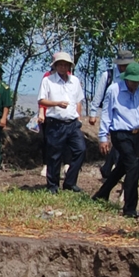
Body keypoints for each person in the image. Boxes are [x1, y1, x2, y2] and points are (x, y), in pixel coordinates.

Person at [93, 62, 139, 217]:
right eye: (133, 81)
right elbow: (106, 114)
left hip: (135, 133)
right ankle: (130, 208)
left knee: (122, 167)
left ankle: (101, 194)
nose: (136, 84)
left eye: (138, 81)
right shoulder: (114, 90)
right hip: (119, 133)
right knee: (133, 166)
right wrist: (103, 137)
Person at [38, 51, 87, 192]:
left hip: (72, 122)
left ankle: (70, 182)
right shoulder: (48, 81)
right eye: (60, 65)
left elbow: (78, 100)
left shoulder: (75, 81)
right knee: (54, 155)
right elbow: (42, 100)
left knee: (80, 150)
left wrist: (79, 116)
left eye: (65, 65)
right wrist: (56, 103)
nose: (63, 67)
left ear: (69, 67)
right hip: (55, 122)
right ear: (55, 66)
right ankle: (52, 185)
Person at [97, 51, 135, 183]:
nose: (124, 67)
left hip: (130, 122)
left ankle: (107, 175)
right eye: (122, 64)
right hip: (116, 120)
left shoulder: (135, 79)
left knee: (123, 156)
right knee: (128, 160)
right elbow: (100, 97)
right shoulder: (109, 77)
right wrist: (93, 113)